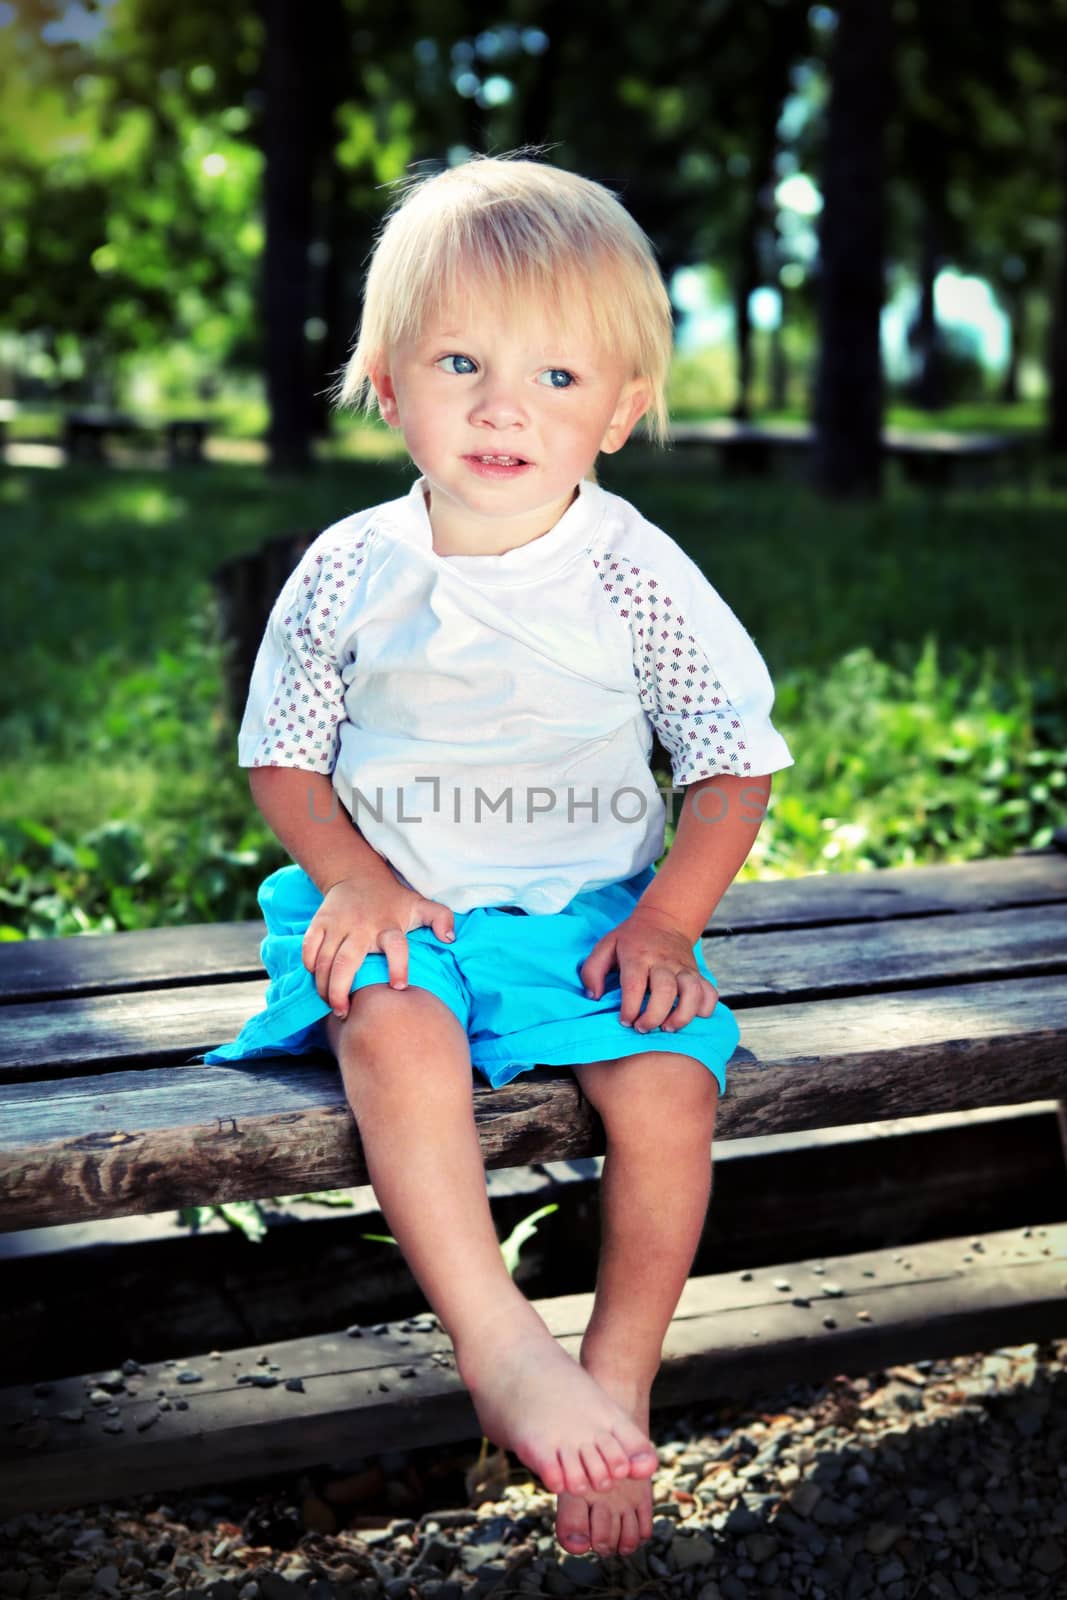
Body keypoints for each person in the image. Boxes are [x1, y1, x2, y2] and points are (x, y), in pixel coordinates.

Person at [205, 152, 794, 1560]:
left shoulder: (633, 570)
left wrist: (663, 926)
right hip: (396, 898)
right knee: (393, 1023)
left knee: (668, 1087)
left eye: (556, 378)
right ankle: (496, 1340)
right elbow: (281, 757)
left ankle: (622, 1365)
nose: (500, 408)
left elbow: (731, 765)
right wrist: (354, 878)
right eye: (460, 360)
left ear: (625, 407)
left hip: (590, 913)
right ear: (388, 379)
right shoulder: (352, 566)